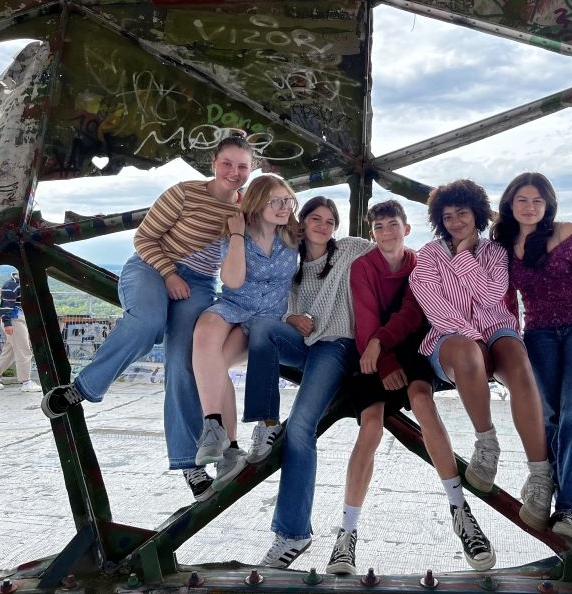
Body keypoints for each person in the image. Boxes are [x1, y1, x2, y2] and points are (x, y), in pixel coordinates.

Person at [40, 135, 254, 501]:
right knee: (147, 321)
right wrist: (169, 274)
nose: (234, 172)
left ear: (251, 170)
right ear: (213, 163)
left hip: (200, 283)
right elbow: (145, 238)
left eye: (243, 166)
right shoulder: (184, 193)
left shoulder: (243, 211)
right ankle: (83, 388)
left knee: (185, 364)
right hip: (151, 268)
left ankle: (190, 463)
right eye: (227, 163)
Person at [326, 199, 495, 575]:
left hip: (410, 348)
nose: (385, 233)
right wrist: (382, 360)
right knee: (370, 426)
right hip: (373, 354)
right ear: (373, 234)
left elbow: (413, 313)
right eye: (379, 228)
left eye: (392, 226)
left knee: (422, 399)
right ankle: (346, 534)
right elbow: (365, 322)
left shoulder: (420, 262)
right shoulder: (363, 267)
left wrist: (384, 350)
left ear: (406, 229)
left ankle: (459, 511)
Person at [409, 179, 554, 532]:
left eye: (463, 213)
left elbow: (491, 298)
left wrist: (462, 256)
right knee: (469, 353)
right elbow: (434, 307)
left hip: (497, 330)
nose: (456, 221)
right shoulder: (428, 256)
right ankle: (486, 443)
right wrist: (474, 339)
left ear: (476, 214)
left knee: (520, 365)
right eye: (448, 216)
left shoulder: (494, 253)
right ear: (438, 221)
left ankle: (540, 475)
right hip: (451, 338)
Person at [243, 196, 372, 568]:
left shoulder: (349, 249)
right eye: (315, 218)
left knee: (301, 425)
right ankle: (266, 421)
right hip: (307, 343)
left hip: (337, 347)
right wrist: (292, 315)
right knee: (262, 328)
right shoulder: (292, 264)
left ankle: (293, 534)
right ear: (302, 223)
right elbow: (275, 305)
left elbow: (393, 250)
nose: (323, 225)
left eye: (330, 220)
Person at [491, 172, 572, 547]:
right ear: (510, 205)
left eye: (537, 201)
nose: (530, 208)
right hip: (540, 335)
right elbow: (505, 299)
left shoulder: (566, 233)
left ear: (548, 205)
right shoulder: (505, 245)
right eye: (522, 201)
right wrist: (507, 341)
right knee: (548, 416)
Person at [191, 174, 299, 493]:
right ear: (257, 204)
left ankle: (230, 444)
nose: (284, 207)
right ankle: (217, 430)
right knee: (206, 334)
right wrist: (237, 235)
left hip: (267, 319)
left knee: (218, 363)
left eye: (287, 200)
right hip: (236, 306)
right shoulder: (237, 233)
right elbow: (234, 282)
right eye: (275, 201)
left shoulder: (295, 235)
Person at [0, 270, 41, 392]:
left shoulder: (21, 283)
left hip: (17, 319)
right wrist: (7, 323)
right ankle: (26, 382)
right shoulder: (12, 285)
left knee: (10, 351)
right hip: (14, 320)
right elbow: (5, 306)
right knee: (24, 350)